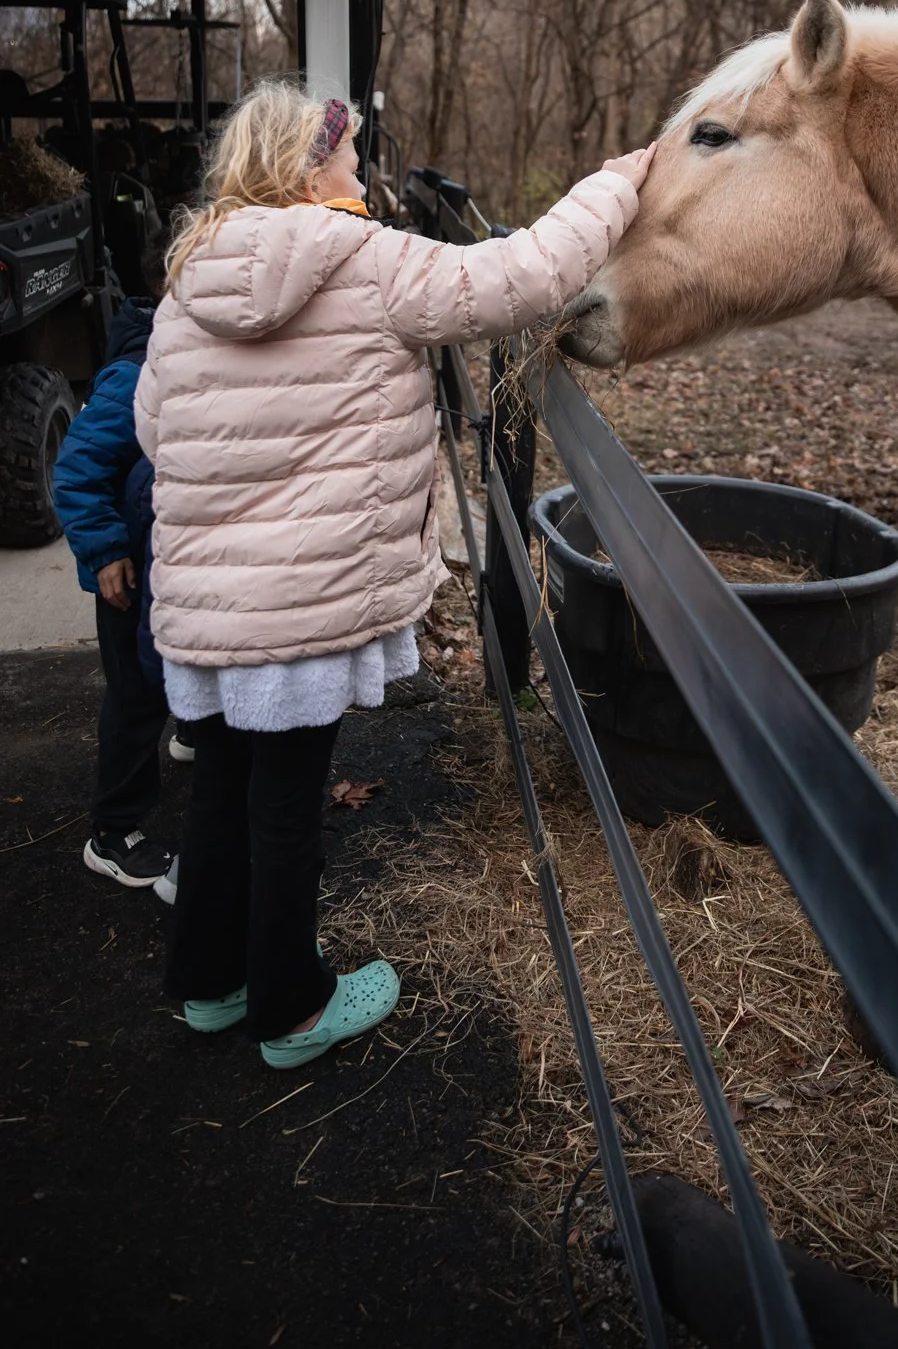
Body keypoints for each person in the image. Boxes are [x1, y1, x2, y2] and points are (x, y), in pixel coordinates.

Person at [136, 83, 653, 1069]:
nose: (362, 174)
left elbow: (154, 429)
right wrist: (617, 184)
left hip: (206, 602)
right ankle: (290, 1007)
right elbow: (525, 274)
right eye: (349, 157)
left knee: (223, 791)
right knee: (286, 797)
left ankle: (209, 981)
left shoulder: (188, 277)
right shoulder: (365, 259)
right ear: (306, 170)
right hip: (309, 593)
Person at [51, 266, 176, 895]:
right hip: (125, 573)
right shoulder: (134, 381)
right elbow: (74, 472)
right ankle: (113, 833)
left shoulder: (163, 362)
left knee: (163, 671)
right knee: (134, 695)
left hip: (153, 561)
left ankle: (184, 737)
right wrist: (105, 554)